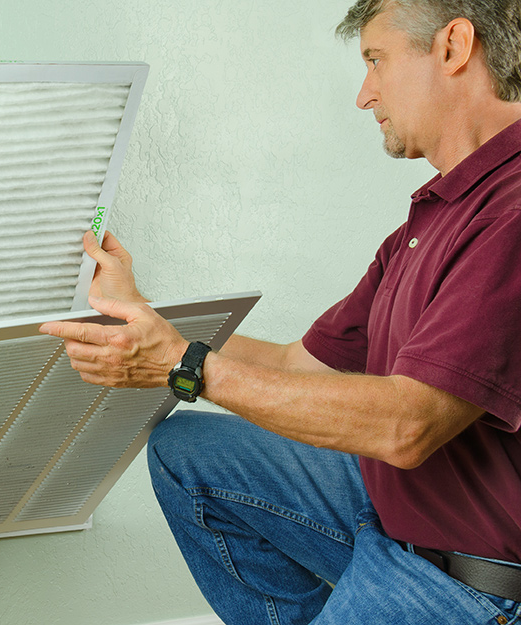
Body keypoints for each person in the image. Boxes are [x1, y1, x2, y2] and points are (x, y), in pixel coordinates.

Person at [38, 0, 521, 622]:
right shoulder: (437, 214)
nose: (365, 95)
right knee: (190, 453)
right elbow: (300, 364)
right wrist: (138, 315)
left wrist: (185, 366)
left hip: (472, 575)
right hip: (397, 512)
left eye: (376, 60)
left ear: (453, 47)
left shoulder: (509, 215)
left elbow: (408, 427)